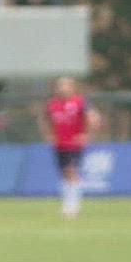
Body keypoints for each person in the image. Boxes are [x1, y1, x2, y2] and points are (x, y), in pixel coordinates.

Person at [39, 77, 99, 218]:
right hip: (59, 144)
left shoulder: (80, 102)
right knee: (64, 173)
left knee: (71, 171)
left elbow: (93, 118)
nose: (62, 88)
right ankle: (67, 202)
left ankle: (72, 205)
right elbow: (43, 119)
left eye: (65, 85)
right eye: (60, 85)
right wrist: (48, 135)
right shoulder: (52, 103)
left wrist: (87, 134)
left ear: (73, 87)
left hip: (74, 144)